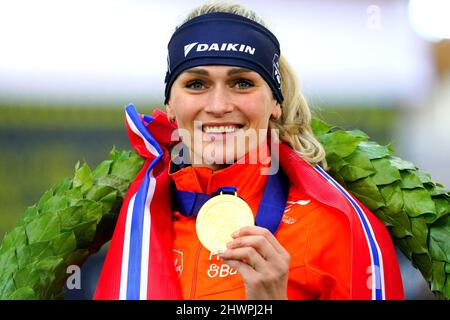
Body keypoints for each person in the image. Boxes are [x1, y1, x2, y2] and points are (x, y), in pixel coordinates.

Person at [94, 1, 404, 300]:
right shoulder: (138, 219)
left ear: (275, 104)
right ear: (170, 106)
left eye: (242, 83)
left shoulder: (335, 228)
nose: (218, 106)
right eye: (196, 84)